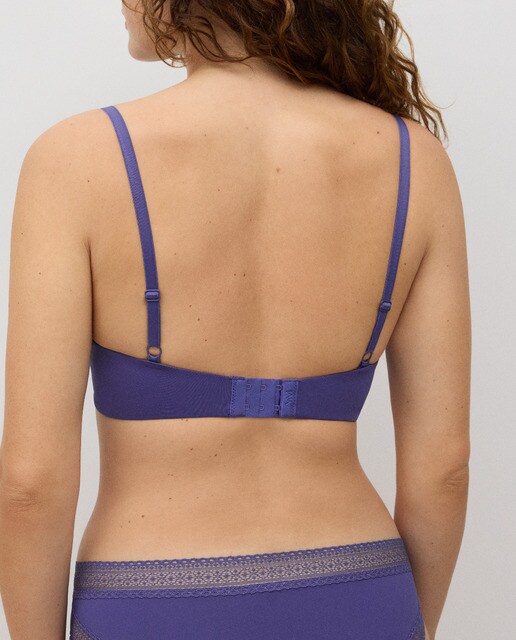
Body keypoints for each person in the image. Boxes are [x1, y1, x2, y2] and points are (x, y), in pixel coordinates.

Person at [0, 1, 471, 639]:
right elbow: (444, 469)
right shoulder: (415, 161)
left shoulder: (76, 159)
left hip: (152, 602)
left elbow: (31, 484)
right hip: (360, 590)